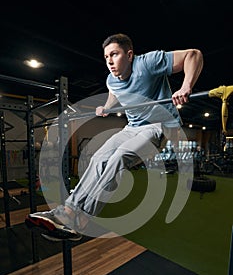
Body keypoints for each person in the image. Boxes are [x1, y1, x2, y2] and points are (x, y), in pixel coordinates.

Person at [25, 33, 203, 241]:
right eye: (106, 56)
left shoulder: (147, 63)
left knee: (119, 157)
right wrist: (107, 107)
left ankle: (82, 217)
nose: (109, 61)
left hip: (159, 126)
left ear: (129, 55)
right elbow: (114, 91)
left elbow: (193, 55)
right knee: (98, 158)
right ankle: (69, 211)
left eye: (115, 54)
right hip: (131, 127)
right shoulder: (111, 78)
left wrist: (186, 86)